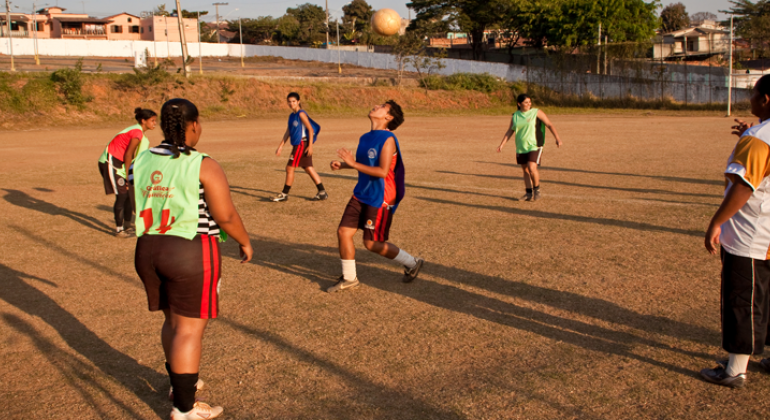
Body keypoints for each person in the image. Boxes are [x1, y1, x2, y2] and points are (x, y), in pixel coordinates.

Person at [131, 98, 253, 419]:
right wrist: (244, 241)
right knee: (189, 330)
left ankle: (180, 384)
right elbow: (224, 215)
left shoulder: (142, 159)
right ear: (194, 125)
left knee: (172, 322)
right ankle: (185, 409)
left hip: (148, 248)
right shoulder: (201, 163)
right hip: (190, 250)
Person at [702, 74, 770, 389]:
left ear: (765, 99)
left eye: (753, 93)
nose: (751, 98)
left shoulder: (759, 139)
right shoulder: (758, 137)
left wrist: (716, 221)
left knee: (743, 299)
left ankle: (734, 370)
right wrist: (750, 134)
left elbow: (744, 187)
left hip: (752, 235)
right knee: (767, 298)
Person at [327, 100, 424, 293]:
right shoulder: (365, 137)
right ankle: (349, 278)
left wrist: (352, 164)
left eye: (382, 106)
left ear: (388, 117)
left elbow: (381, 171)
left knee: (372, 244)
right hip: (361, 194)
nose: (376, 106)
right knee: (343, 232)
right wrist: (344, 165)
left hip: (380, 197)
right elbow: (363, 163)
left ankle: (412, 263)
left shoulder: (388, 139)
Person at [98, 107, 157, 237]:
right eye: (152, 121)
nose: (155, 123)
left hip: (121, 165)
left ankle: (127, 225)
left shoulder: (142, 135)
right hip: (110, 163)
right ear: (143, 120)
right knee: (122, 195)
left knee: (130, 195)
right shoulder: (137, 132)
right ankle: (119, 230)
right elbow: (128, 154)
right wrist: (130, 175)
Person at [496, 94, 563, 201]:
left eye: (530, 102)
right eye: (526, 102)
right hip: (521, 146)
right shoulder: (515, 116)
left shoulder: (536, 112)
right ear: (519, 103)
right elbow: (510, 130)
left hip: (535, 145)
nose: (529, 104)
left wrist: (557, 138)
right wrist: (502, 144)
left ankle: (537, 190)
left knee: (532, 168)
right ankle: (528, 193)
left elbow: (549, 124)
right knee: (526, 170)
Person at [271, 92, 328, 202]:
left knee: (290, 168)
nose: (291, 103)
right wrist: (280, 146)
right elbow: (288, 131)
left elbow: (310, 129)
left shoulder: (301, 114)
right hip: (299, 145)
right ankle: (322, 192)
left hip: (302, 144)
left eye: (293, 101)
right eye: (289, 101)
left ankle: (284, 194)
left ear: (298, 102)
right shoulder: (291, 116)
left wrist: (310, 146)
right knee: (308, 168)